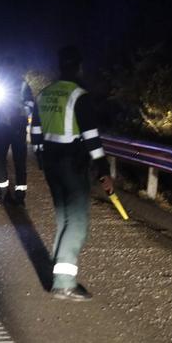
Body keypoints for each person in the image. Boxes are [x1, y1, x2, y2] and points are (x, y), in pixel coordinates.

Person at [32, 46, 113, 301]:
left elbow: (35, 130)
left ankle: (58, 272)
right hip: (73, 165)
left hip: (51, 164)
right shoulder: (79, 95)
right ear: (78, 66)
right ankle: (64, 283)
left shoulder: (44, 93)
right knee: (77, 221)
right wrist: (103, 169)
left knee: (63, 219)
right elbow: (91, 137)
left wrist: (40, 156)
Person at [0, 55, 34, 205]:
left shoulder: (21, 85)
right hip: (4, 127)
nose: (5, 70)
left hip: (16, 126)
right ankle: (6, 192)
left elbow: (30, 105)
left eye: (7, 67)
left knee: (16, 160)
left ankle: (17, 195)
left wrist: (19, 112)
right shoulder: (0, 85)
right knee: (1, 159)